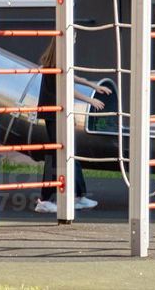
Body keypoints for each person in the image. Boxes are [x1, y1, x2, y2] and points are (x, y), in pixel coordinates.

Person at [33, 41, 110, 214]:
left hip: (57, 112)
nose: (74, 40)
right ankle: (46, 199)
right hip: (54, 113)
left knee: (66, 154)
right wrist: (90, 100)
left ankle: (77, 196)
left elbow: (72, 77)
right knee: (59, 155)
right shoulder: (56, 63)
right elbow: (67, 87)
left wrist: (94, 85)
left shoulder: (55, 62)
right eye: (73, 36)